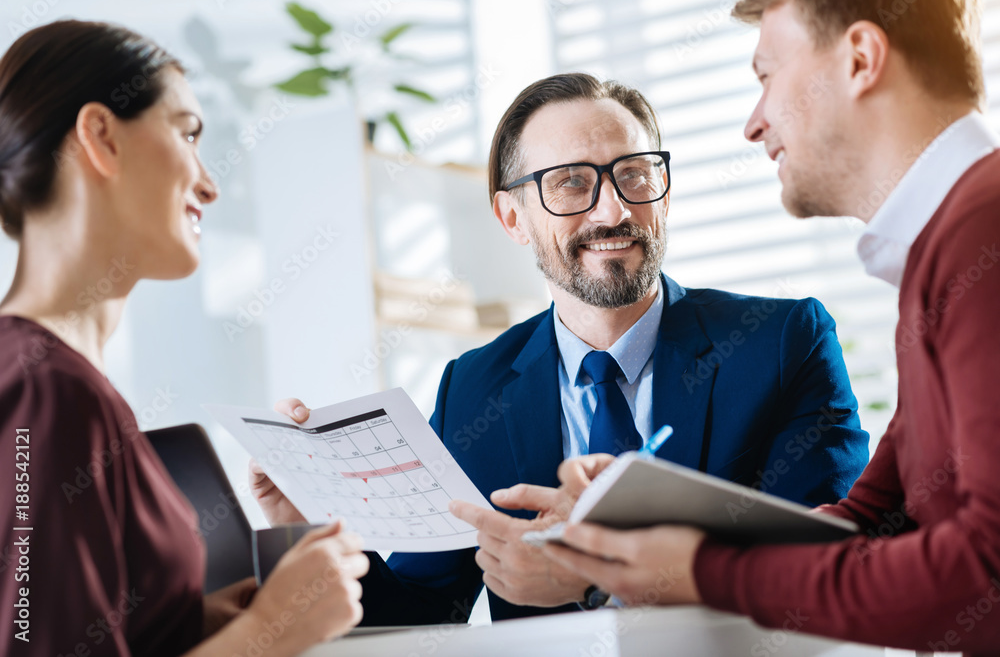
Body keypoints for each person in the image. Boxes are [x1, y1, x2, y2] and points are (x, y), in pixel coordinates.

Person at [253, 73, 869, 624]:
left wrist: (595, 577)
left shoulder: (782, 344)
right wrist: (310, 529)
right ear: (512, 218)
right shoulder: (473, 391)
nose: (614, 209)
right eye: (571, 183)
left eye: (634, 174)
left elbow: (831, 575)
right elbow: (419, 613)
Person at [506, 0, 1000, 653]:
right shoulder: (947, 246)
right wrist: (632, 528)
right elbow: (873, 520)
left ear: (860, 59)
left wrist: (701, 571)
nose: (753, 124)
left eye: (767, 77)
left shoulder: (982, 236)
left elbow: (986, 576)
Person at [0, 21, 368, 656]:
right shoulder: (48, 389)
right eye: (187, 133)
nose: (209, 182)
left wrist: (192, 627)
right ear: (100, 136)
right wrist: (269, 633)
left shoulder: (49, 380)